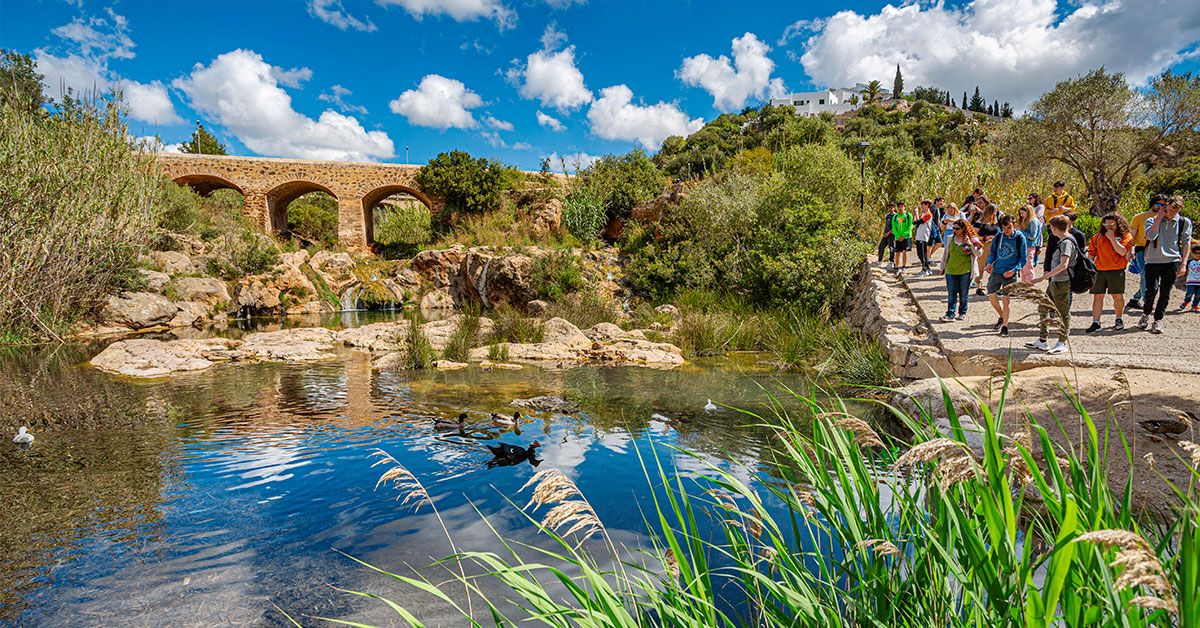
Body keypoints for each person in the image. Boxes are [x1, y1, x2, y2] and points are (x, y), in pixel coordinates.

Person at [1140, 195, 1194, 333]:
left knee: (1165, 292)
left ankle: (1158, 320)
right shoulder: (1151, 220)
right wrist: (1158, 218)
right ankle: (1146, 314)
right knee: (1151, 290)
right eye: (1168, 209)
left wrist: (1183, 264)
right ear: (1164, 207)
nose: (1170, 213)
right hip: (1153, 259)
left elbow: (1186, 243)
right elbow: (1150, 237)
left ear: (1180, 209)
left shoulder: (1183, 222)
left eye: (1173, 211)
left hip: (1172, 260)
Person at [1027, 215, 1076, 355]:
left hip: (1061, 282)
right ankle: (1043, 340)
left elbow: (1064, 265)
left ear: (1054, 228)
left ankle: (1062, 342)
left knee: (1063, 313)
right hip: (1055, 282)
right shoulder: (1062, 240)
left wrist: (1043, 277)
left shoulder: (1067, 242)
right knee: (1043, 307)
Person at [1086, 213, 1133, 332]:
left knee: (1117, 295)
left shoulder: (1126, 236)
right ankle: (1096, 322)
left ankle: (1119, 319)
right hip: (1099, 270)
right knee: (1098, 296)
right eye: (1105, 223)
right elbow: (1091, 254)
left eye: (1111, 223)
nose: (1108, 226)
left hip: (1116, 270)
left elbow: (1122, 252)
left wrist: (1112, 238)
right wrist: (1088, 269)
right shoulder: (1097, 237)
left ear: (1118, 223)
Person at [985, 214, 1027, 336]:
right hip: (997, 270)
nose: (1006, 231)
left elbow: (1023, 258)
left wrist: (1014, 270)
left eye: (1008, 228)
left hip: (1010, 272)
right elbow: (993, 253)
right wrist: (989, 263)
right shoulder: (999, 237)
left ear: (1014, 225)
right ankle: (1002, 316)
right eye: (1004, 228)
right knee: (991, 295)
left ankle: (1005, 326)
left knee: (1006, 300)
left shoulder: (1020, 238)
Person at [940, 219, 983, 321]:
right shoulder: (950, 238)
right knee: (951, 293)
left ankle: (962, 312)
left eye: (957, 228)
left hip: (965, 270)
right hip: (951, 269)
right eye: (953, 228)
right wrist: (942, 267)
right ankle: (950, 314)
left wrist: (971, 244)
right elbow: (946, 254)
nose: (954, 230)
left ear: (964, 228)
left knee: (964, 293)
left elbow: (979, 253)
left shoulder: (973, 239)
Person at [1126, 195, 1163, 311]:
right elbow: (1131, 235)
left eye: (1163, 205)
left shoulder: (1165, 218)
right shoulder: (1139, 217)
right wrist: (1128, 251)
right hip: (1142, 249)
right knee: (1144, 274)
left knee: (1153, 278)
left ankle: (1135, 299)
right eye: (1158, 204)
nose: (1161, 207)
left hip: (1158, 251)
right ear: (1152, 203)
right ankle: (1147, 301)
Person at [1043, 210, 1086, 274]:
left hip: (1071, 270)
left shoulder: (1079, 235)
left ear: (1072, 221)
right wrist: (1046, 268)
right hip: (1054, 267)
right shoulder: (1054, 234)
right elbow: (1049, 252)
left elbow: (1081, 254)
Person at [972, 204, 999, 295]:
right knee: (981, 266)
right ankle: (979, 286)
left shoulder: (995, 222)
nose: (995, 213)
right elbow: (973, 235)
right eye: (994, 211)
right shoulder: (980, 222)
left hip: (994, 245)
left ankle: (992, 286)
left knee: (994, 265)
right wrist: (984, 238)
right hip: (983, 245)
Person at [1016, 205, 1043, 282]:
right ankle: (1024, 285)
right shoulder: (1026, 220)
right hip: (1023, 246)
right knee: (1023, 269)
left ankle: (1029, 286)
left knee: (1028, 268)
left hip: (1029, 247)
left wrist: (1020, 231)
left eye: (1022, 213)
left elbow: (1032, 236)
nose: (1021, 215)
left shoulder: (1033, 221)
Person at [913, 200, 935, 275]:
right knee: (920, 253)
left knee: (922, 253)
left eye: (923, 205)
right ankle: (926, 268)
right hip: (919, 235)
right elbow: (914, 222)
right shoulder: (922, 213)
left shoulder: (928, 214)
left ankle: (925, 269)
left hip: (923, 235)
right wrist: (915, 214)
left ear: (927, 205)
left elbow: (919, 221)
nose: (921, 207)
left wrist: (916, 213)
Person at [892, 201, 914, 273]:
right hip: (898, 237)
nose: (901, 208)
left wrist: (904, 235)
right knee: (897, 252)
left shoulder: (908, 215)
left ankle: (904, 266)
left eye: (902, 206)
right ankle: (896, 267)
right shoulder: (895, 216)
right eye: (899, 207)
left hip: (906, 237)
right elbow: (894, 227)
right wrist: (898, 236)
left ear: (904, 207)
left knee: (904, 251)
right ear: (897, 208)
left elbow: (910, 226)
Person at [1180, 245, 1200, 313]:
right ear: (1192, 253)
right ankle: (1186, 301)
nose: (1197, 254)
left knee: (1198, 295)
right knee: (1190, 293)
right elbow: (1184, 269)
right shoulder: (1189, 262)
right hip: (1191, 281)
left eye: (1199, 253)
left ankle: (1195, 306)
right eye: (1196, 253)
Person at [878, 202, 897, 268]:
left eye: (891, 207)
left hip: (891, 234)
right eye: (889, 207)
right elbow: (886, 225)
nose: (890, 209)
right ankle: (880, 260)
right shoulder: (888, 215)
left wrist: (888, 233)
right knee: (881, 246)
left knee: (891, 248)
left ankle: (891, 262)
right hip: (886, 234)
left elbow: (895, 227)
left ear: (894, 208)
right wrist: (884, 232)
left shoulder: (896, 216)